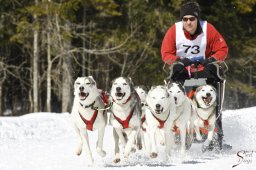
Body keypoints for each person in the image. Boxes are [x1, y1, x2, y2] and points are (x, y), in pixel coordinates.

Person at [161, 1, 231, 151]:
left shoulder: (208, 29)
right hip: (183, 72)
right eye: (185, 19)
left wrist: (212, 59)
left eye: (192, 19)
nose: (188, 22)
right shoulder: (174, 31)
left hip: (204, 69)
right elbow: (166, 54)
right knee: (177, 94)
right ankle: (179, 133)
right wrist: (178, 61)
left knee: (212, 93)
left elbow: (222, 48)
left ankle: (216, 137)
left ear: (197, 19)